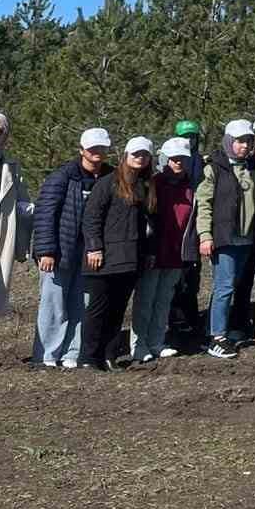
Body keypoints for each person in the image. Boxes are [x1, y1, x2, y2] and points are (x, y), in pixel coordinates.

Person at [31, 127, 114, 368]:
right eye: (92, 149)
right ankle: (47, 354)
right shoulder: (63, 176)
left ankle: (72, 352)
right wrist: (45, 250)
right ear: (82, 150)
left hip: (91, 252)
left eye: (101, 148)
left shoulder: (110, 177)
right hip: (60, 250)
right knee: (54, 303)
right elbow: (46, 213)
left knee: (82, 303)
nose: (97, 153)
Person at [78, 136, 154, 370]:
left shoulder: (145, 185)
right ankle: (88, 358)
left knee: (118, 309)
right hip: (105, 257)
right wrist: (94, 247)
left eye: (144, 155)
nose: (140, 159)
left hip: (132, 258)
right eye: (135, 154)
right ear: (125, 156)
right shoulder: (108, 182)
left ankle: (109, 356)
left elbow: (148, 225)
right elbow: (91, 217)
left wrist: (148, 253)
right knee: (98, 309)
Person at [129, 137, 196, 362]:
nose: (178, 163)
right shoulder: (154, 184)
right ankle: (139, 345)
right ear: (164, 159)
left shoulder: (189, 186)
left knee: (164, 300)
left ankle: (157, 341)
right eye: (174, 158)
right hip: (154, 251)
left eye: (182, 159)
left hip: (177, 252)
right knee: (145, 300)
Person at [197, 120, 255, 359]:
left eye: (248, 141)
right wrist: (205, 235)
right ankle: (217, 337)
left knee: (234, 286)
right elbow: (204, 204)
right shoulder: (214, 168)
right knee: (223, 287)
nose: (244, 146)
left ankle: (220, 329)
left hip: (246, 239)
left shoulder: (251, 168)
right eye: (239, 141)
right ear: (228, 141)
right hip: (224, 238)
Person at [0, 113, 32, 320]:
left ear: (6, 136)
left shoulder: (13, 168)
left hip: (1, 239)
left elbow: (23, 208)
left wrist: (21, 248)